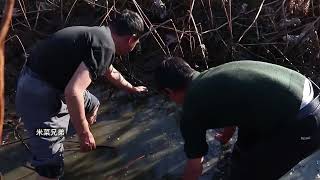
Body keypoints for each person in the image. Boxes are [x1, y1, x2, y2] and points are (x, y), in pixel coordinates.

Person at [15, 9, 147, 180]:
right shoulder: (105, 46)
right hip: (36, 94)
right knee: (51, 167)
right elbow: (73, 92)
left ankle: (70, 131)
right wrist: (84, 134)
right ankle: (53, 141)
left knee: (92, 103)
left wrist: (132, 88)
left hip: (46, 82)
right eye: (136, 43)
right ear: (131, 39)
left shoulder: (101, 36)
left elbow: (109, 71)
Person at [154, 57, 320, 180]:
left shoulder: (191, 109)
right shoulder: (211, 76)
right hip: (308, 95)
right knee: (241, 154)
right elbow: (235, 107)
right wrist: (226, 137)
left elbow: (194, 169)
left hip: (304, 123)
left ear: (169, 91)